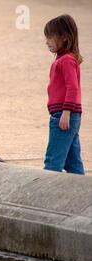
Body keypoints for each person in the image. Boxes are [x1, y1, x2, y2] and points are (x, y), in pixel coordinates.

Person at [43, 14, 84, 175]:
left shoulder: (66, 60)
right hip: (68, 115)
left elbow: (72, 88)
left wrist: (66, 113)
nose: (47, 42)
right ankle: (84, 194)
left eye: (50, 37)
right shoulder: (63, 59)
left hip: (64, 115)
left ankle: (45, 197)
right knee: (73, 162)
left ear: (65, 38)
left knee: (53, 161)